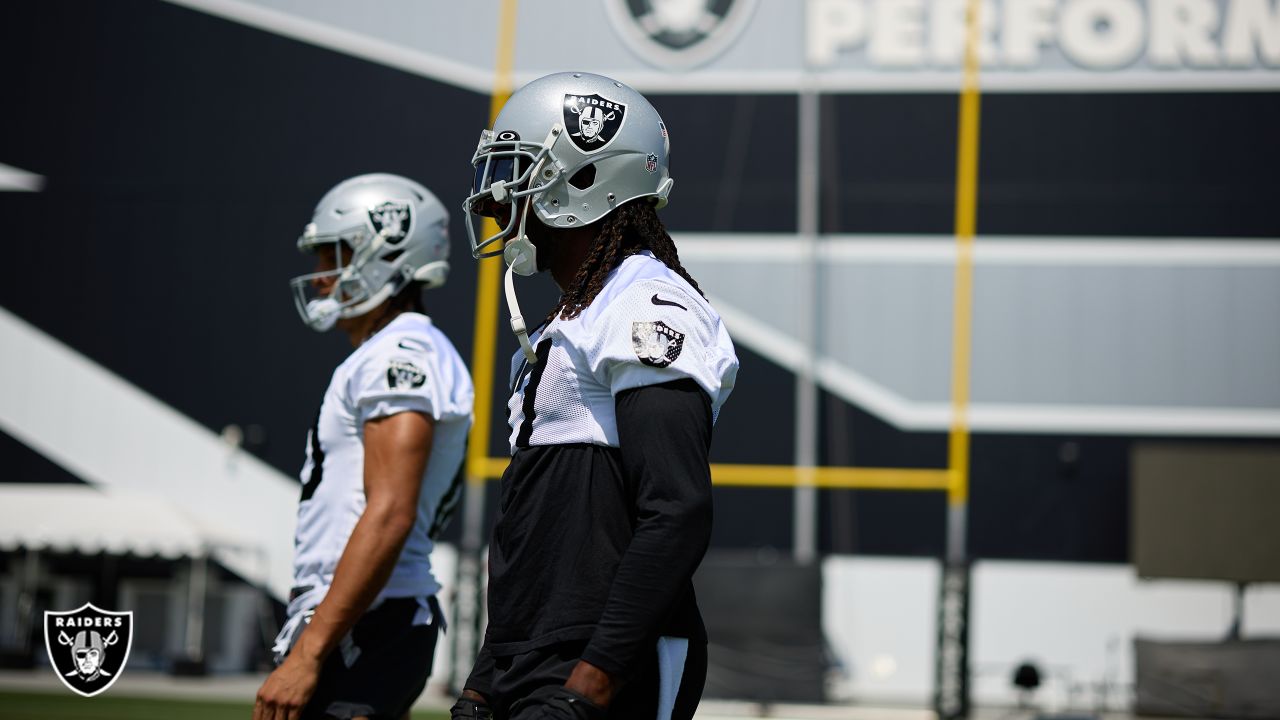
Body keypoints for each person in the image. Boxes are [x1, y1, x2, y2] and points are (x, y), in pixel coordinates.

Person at [453, 72, 739, 720]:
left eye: (519, 172)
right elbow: (537, 531)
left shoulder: (645, 304)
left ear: (581, 179)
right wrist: (485, 678)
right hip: (534, 663)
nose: (498, 197)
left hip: (603, 666)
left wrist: (593, 680)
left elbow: (677, 509)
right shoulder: (579, 315)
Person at [255, 173, 475, 720]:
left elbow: (390, 512)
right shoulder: (392, 350)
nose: (322, 278)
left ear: (387, 251)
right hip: (367, 616)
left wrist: (309, 652)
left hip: (370, 619)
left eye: (335, 254)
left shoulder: (400, 354)